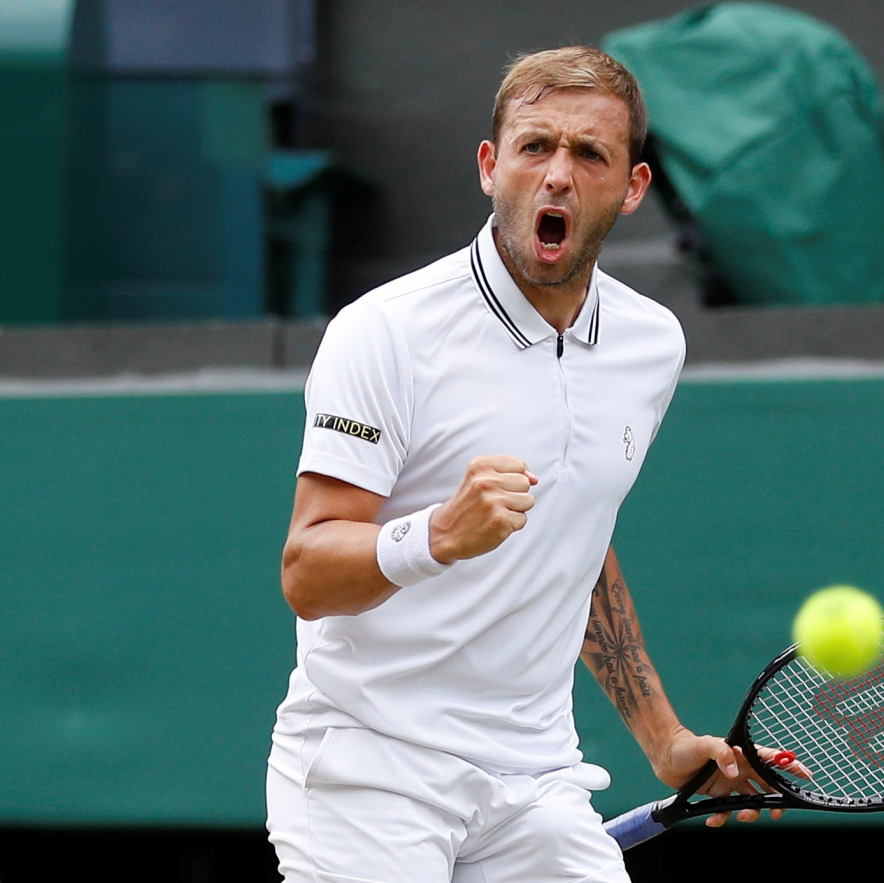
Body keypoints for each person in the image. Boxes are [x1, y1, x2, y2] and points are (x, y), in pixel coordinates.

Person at [266, 46, 779, 882]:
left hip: (535, 778)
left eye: (589, 154)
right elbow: (308, 571)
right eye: (535, 146)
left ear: (634, 187)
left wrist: (667, 739)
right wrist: (436, 534)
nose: (557, 175)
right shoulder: (384, 332)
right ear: (489, 166)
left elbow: (573, 543)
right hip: (370, 767)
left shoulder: (652, 345)